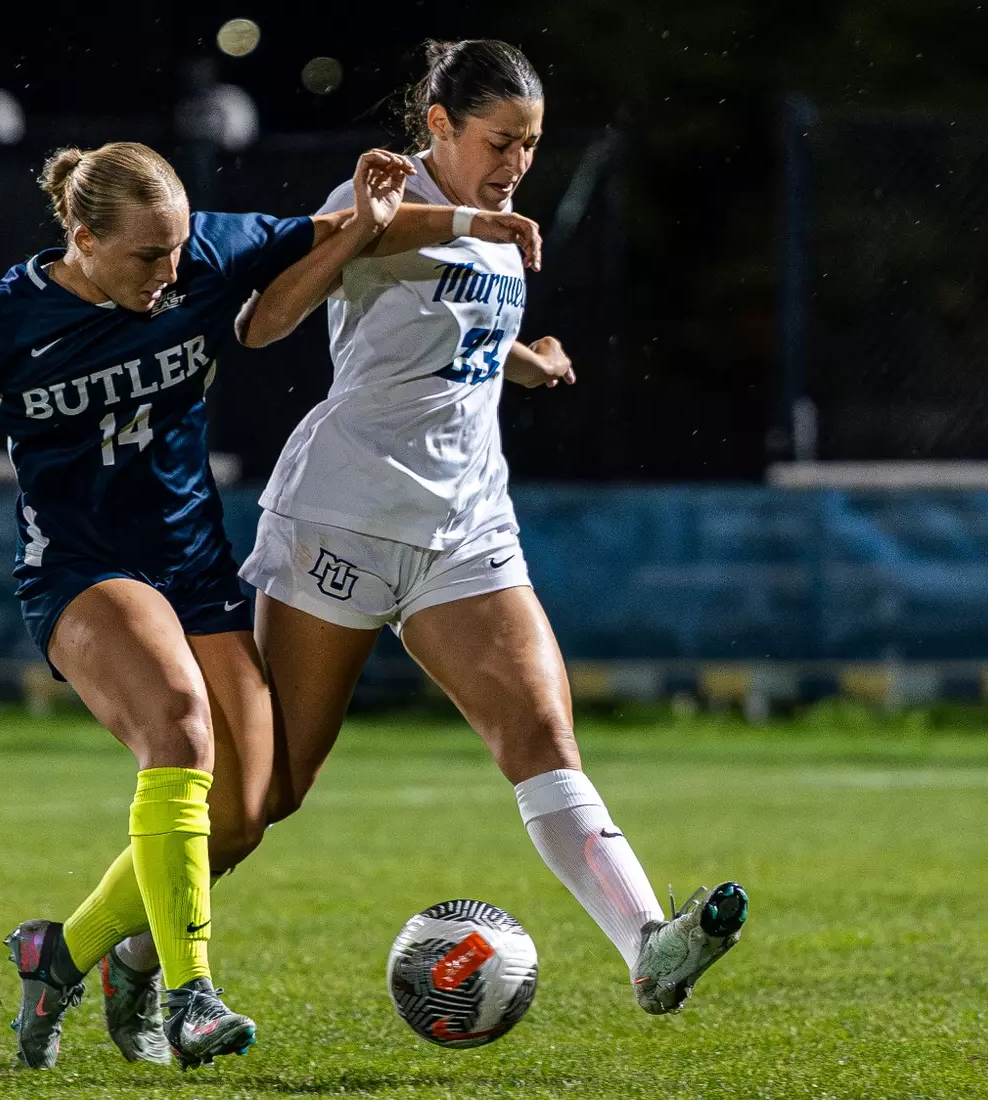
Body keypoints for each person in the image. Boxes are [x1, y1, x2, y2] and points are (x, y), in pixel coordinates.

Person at [0, 140, 542, 1069]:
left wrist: (475, 221)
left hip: (193, 569)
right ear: (81, 239)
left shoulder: (200, 253)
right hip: (82, 572)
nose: (173, 271)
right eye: (148, 256)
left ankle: (59, 954)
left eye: (180, 249)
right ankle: (189, 994)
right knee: (181, 728)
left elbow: (352, 229)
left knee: (248, 810)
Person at [235, 39, 751, 1016]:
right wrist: (361, 232)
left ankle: (649, 943)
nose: (516, 161)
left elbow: (444, 327)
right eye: (499, 139)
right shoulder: (381, 203)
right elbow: (263, 322)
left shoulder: (492, 224)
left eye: (531, 143)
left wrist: (528, 361)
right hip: (343, 521)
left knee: (543, 735)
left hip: (466, 525)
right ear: (439, 127)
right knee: (272, 790)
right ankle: (115, 944)